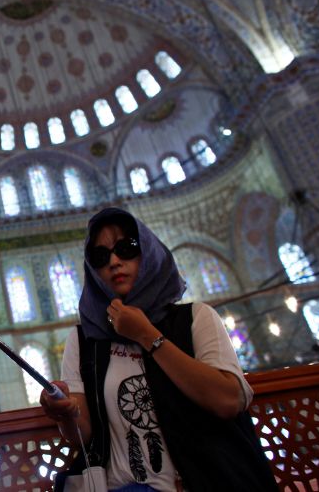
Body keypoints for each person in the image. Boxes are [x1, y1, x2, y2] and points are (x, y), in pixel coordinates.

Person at [39, 207, 277, 492]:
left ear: (149, 253)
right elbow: (83, 433)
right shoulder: (83, 340)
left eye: (127, 248)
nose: (114, 262)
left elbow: (226, 401)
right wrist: (65, 413)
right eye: (101, 257)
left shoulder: (196, 318)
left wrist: (145, 334)